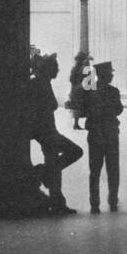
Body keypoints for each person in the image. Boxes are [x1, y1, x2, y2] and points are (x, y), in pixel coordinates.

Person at [29, 53, 82, 215]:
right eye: (55, 67)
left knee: (54, 165)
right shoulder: (38, 84)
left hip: (48, 130)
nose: (58, 69)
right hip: (46, 132)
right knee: (75, 152)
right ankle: (42, 174)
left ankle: (57, 200)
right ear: (47, 69)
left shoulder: (43, 83)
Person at [83, 60, 123, 214]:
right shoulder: (113, 91)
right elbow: (119, 110)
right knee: (113, 168)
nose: (112, 75)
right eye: (110, 73)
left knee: (95, 170)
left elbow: (83, 109)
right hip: (111, 132)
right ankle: (112, 199)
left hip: (94, 133)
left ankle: (94, 202)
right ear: (104, 75)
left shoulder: (89, 91)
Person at [67, 53, 92, 130]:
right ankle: (85, 124)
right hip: (83, 90)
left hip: (76, 90)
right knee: (86, 106)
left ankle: (76, 124)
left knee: (77, 107)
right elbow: (89, 79)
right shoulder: (85, 68)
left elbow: (71, 79)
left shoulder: (75, 68)